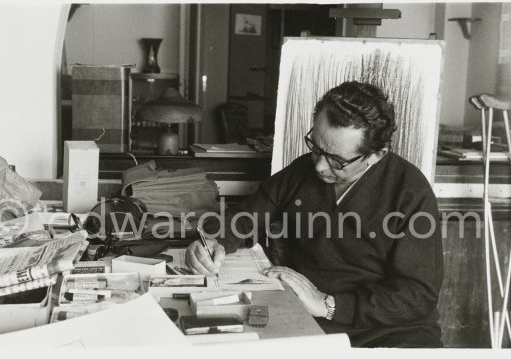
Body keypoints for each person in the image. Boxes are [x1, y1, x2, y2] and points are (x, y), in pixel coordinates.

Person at [185, 81, 443, 348]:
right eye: (316, 148)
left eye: (337, 161)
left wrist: (327, 304)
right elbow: (245, 217)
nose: (320, 166)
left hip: (389, 331)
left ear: (377, 155)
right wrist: (213, 242)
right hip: (309, 321)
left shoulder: (409, 191)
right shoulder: (301, 172)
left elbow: (418, 294)